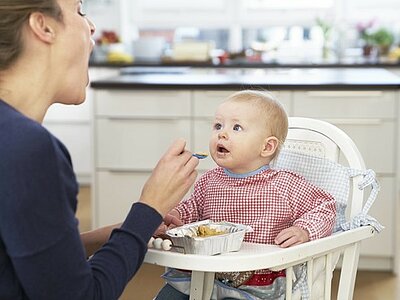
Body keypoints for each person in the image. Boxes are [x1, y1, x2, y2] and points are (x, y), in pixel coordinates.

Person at [0, 0, 199, 299]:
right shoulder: (29, 149)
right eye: (79, 11)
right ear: (43, 26)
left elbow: (29, 258)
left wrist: (131, 229)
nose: (92, 25)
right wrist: (151, 206)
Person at [155, 90, 336, 300]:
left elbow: (325, 206)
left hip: (254, 284)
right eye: (218, 126)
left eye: (237, 127)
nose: (222, 134)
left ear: (267, 147)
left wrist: (303, 230)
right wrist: (175, 216)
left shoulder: (284, 184)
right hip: (205, 276)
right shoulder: (209, 180)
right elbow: (193, 208)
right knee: (169, 295)